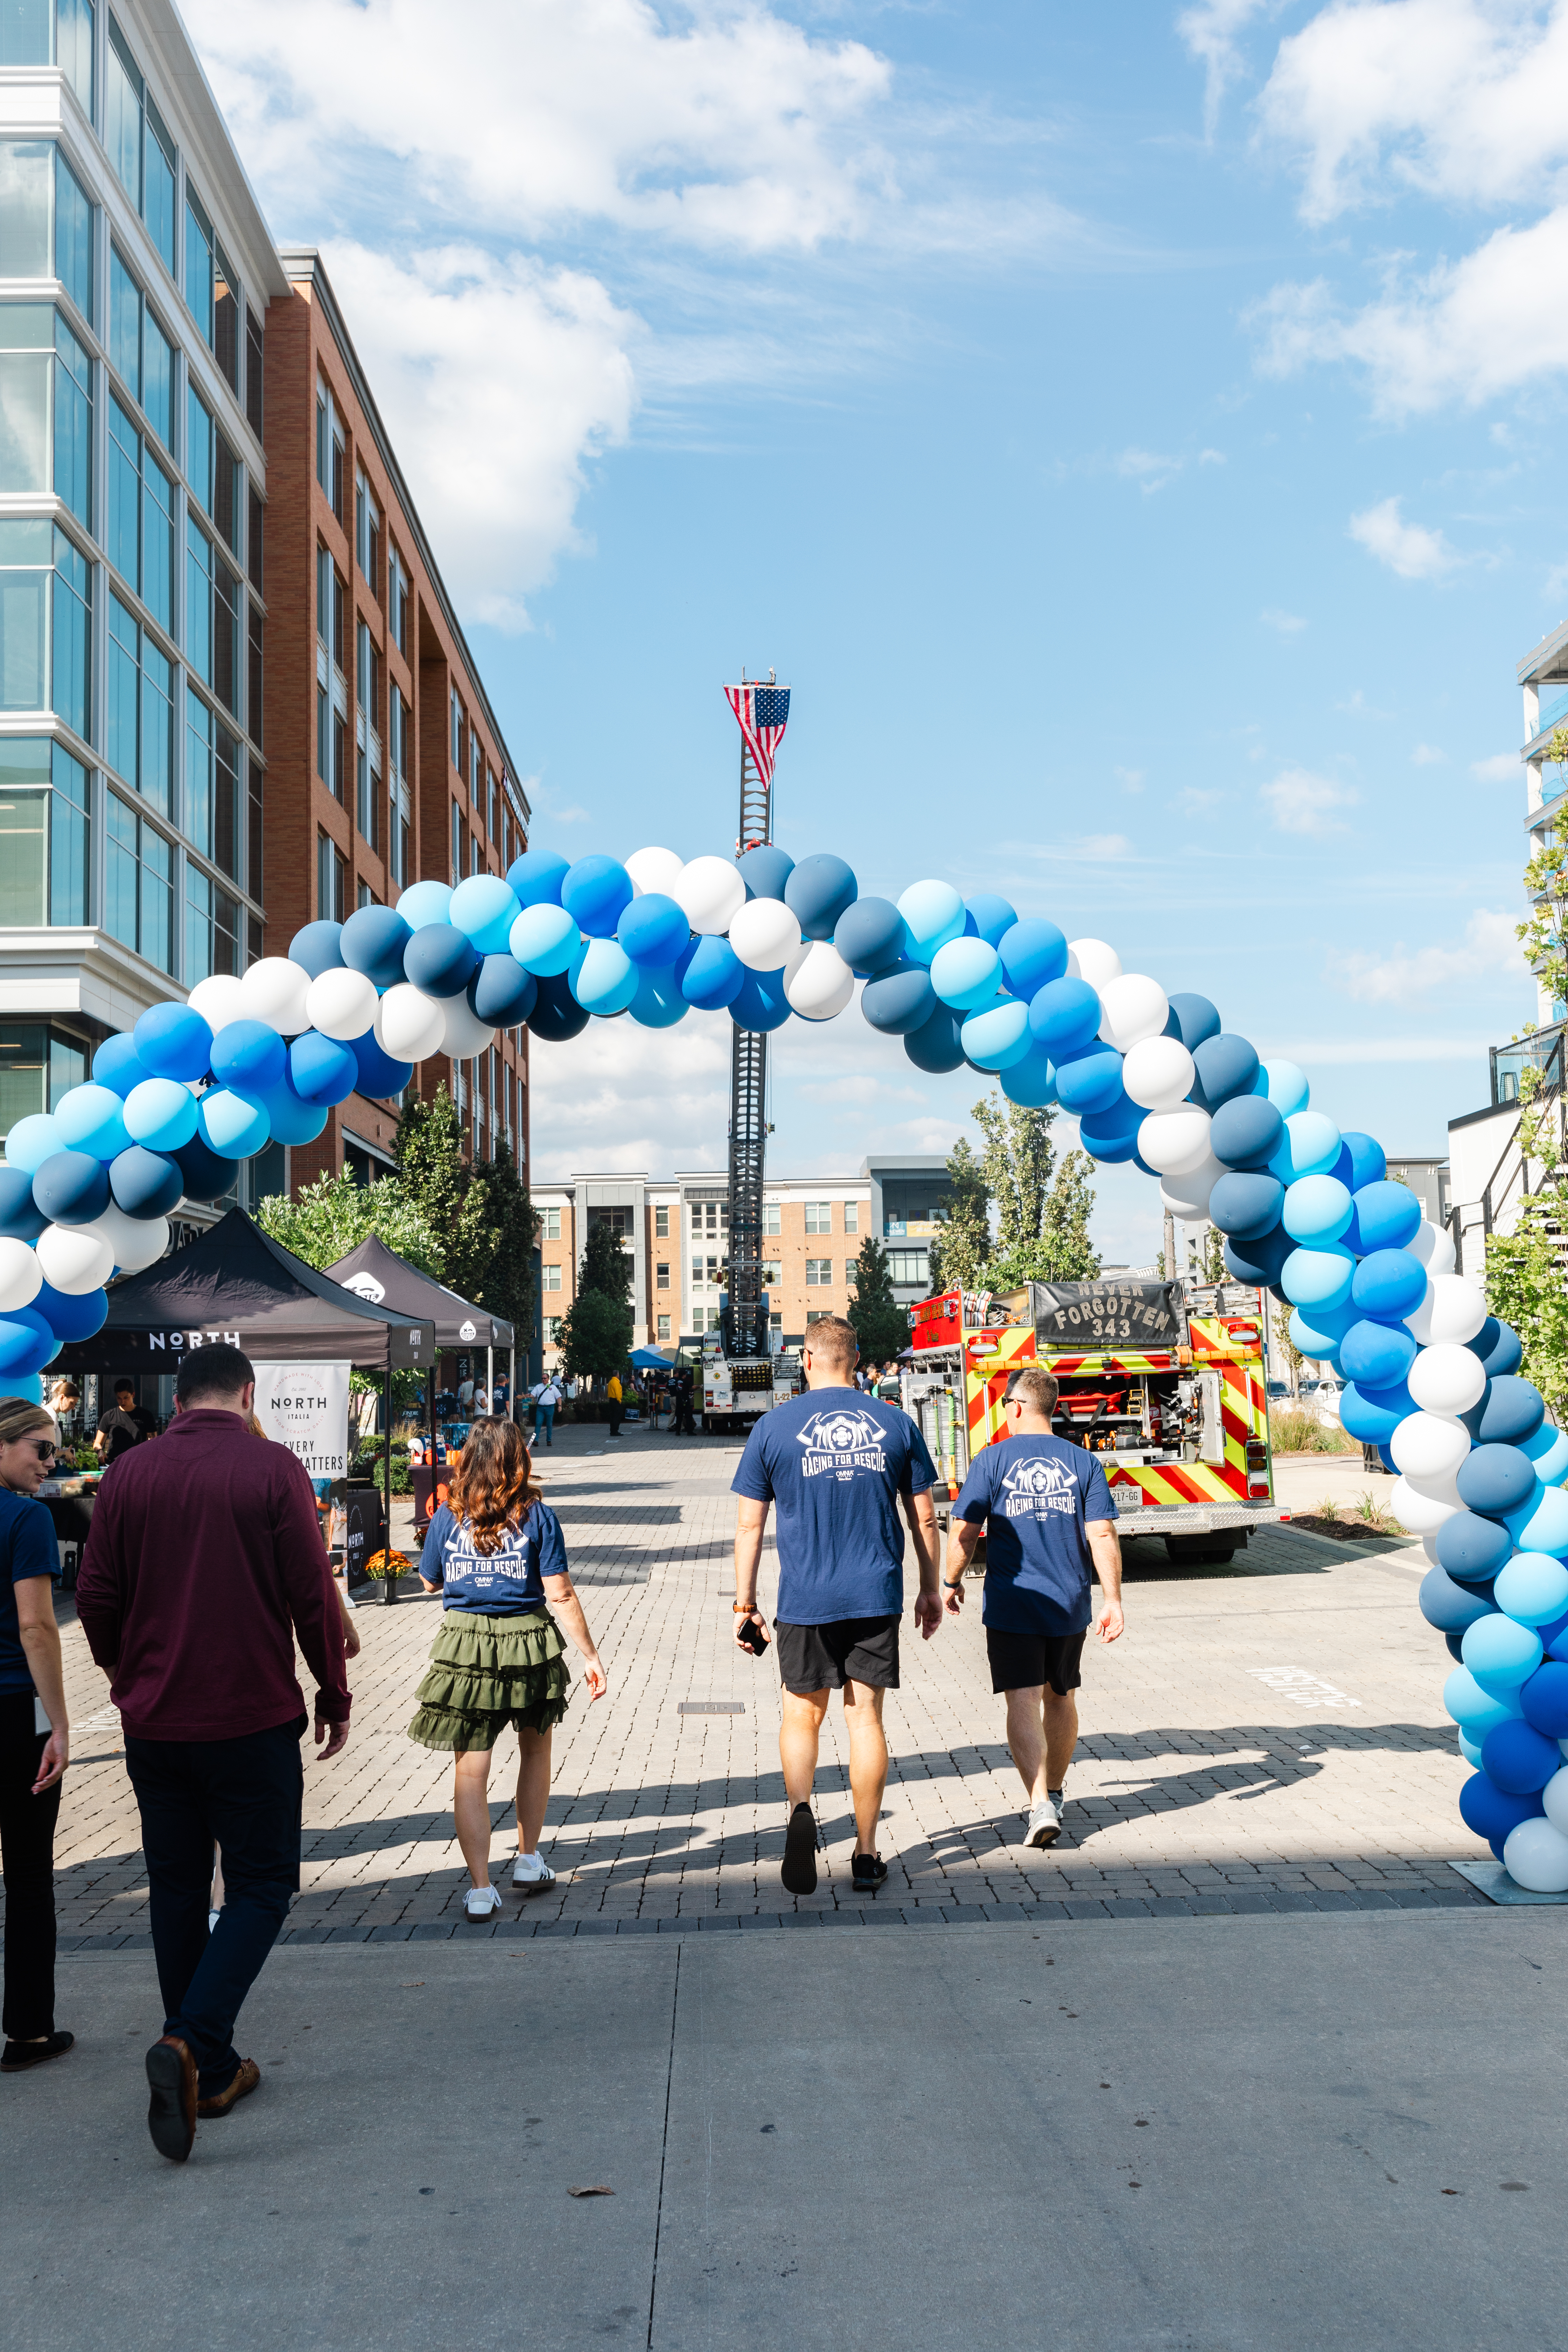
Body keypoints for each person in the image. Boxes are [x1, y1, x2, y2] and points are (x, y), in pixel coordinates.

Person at [76, 1343, 353, 2165]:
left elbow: (94, 1593)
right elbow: (312, 1594)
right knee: (263, 1886)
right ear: (248, 1393)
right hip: (249, 1716)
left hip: (155, 1720)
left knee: (176, 1884)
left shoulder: (128, 1473)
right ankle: (190, 2040)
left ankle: (211, 2067)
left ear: (179, 1395)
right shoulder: (274, 1470)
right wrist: (333, 1693)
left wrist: (121, 1666)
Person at [732, 1315, 942, 1898]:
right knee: (864, 1719)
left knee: (802, 1715)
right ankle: (867, 1853)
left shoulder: (773, 1428)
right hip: (875, 1593)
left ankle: (801, 1810)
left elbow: (750, 1526)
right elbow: (923, 1515)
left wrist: (744, 1604)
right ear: (858, 1359)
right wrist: (930, 1586)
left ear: (807, 1358)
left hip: (804, 1599)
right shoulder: (897, 1424)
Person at [409, 1417, 606, 1917]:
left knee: (470, 1772)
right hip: (528, 1642)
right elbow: (559, 1592)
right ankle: (527, 1858)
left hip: (464, 1648)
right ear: (519, 1459)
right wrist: (590, 1655)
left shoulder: (446, 1517)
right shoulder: (536, 1514)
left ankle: (479, 1888)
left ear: (466, 1458)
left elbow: (429, 1584)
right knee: (535, 1752)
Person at [943, 1366, 1125, 1850]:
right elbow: (1102, 1532)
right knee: (1061, 1696)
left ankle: (1040, 1801)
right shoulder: (1083, 1462)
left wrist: (950, 1582)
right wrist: (1113, 1600)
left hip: (1013, 1603)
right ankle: (1058, 1793)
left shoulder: (992, 1459)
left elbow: (964, 1531)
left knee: (1022, 1700)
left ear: (1017, 1407)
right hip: (1068, 1604)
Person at [0, 1400, 71, 2074]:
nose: (51, 1464)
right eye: (41, 1450)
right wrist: (61, 1724)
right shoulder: (27, 1519)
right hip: (15, 1711)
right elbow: (38, 1628)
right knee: (26, 1873)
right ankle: (26, 2032)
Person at [94, 1379, 148, 1465]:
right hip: (114, 1464)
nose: (122, 1401)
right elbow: (97, 1443)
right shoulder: (109, 1416)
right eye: (119, 1398)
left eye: (126, 1398)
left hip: (138, 1464)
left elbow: (152, 1440)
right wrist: (100, 1452)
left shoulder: (145, 1415)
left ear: (133, 1395)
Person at [533, 1375, 562, 1449]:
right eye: (542, 1378)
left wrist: (560, 1406)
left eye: (545, 1378)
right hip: (540, 1408)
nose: (543, 1380)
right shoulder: (538, 1387)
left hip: (550, 1407)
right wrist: (526, 1396)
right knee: (538, 1424)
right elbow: (533, 1395)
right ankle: (536, 1440)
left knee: (549, 1425)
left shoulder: (553, 1387)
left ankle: (549, 1440)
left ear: (548, 1379)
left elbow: (558, 1397)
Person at [607, 1370, 624, 1441]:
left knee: (613, 1416)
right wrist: (619, 1400)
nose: (619, 1375)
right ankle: (616, 1431)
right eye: (619, 1374)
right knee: (617, 1416)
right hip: (616, 1400)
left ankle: (612, 1431)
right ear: (617, 1375)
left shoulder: (611, 1382)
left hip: (611, 1400)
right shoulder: (616, 1382)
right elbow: (617, 1392)